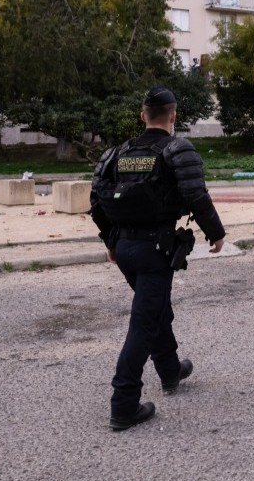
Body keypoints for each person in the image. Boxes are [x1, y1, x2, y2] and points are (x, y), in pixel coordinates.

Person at [90, 86, 226, 431]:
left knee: (155, 308)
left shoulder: (116, 153)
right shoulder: (178, 149)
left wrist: (110, 241)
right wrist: (216, 232)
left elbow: (96, 200)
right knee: (144, 322)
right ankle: (124, 405)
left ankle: (169, 371)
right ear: (173, 116)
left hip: (124, 249)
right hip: (154, 249)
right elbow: (196, 193)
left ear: (142, 116)